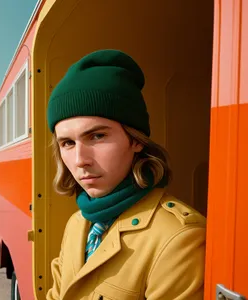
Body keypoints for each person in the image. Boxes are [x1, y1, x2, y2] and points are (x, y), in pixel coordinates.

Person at [46, 49, 206, 300]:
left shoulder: (178, 238)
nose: (80, 160)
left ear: (136, 141)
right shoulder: (78, 222)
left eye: (97, 136)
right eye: (67, 143)